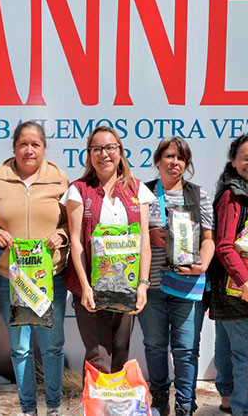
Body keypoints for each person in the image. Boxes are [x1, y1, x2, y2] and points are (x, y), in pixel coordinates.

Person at [0, 121, 69, 416]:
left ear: (44, 148)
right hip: (11, 277)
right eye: (23, 143)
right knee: (20, 348)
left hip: (49, 278)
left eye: (35, 144)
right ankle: (27, 408)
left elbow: (71, 223)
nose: (29, 149)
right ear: (13, 147)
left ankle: (54, 407)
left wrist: (62, 235)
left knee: (51, 346)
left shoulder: (59, 178)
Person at [63, 126, 153, 374]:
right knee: (98, 357)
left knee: (120, 354)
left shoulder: (138, 189)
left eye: (110, 147)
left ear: (120, 151)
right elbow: (76, 241)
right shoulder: (78, 189)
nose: (104, 154)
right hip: (90, 286)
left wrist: (143, 284)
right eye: (97, 149)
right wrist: (85, 288)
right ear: (89, 154)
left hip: (126, 285)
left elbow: (144, 239)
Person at [140, 137, 215, 416]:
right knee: (155, 347)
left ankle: (185, 405)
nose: (175, 163)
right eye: (169, 156)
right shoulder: (143, 193)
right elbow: (128, 234)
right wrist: (147, 236)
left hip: (188, 283)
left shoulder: (198, 195)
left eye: (181, 158)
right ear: (158, 160)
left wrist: (203, 264)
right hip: (153, 285)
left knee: (186, 350)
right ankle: (160, 400)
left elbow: (209, 238)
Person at [205, 134, 248, 416]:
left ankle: (227, 399)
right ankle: (243, 409)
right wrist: (246, 282)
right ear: (233, 161)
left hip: (246, 283)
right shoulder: (231, 195)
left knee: (226, 343)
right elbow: (224, 245)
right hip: (234, 286)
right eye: (246, 158)